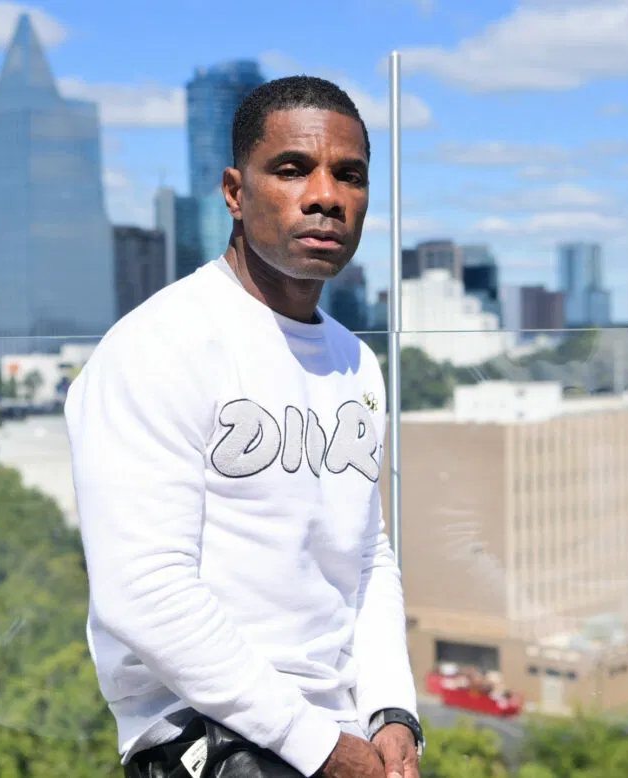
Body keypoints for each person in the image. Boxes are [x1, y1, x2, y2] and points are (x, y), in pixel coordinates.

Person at [65, 75, 421, 778]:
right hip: (209, 739)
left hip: (339, 735)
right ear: (234, 191)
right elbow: (144, 591)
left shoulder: (356, 362)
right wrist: (319, 748)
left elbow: (365, 557)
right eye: (292, 169)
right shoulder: (159, 344)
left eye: (349, 176)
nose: (325, 196)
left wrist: (391, 712)